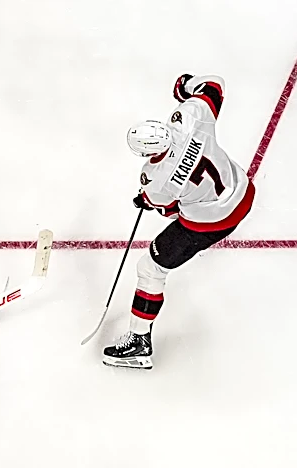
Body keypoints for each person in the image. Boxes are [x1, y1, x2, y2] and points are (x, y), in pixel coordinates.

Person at [103, 74, 255, 369]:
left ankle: (139, 345)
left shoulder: (155, 181)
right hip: (242, 190)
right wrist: (186, 87)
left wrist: (146, 200)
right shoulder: (190, 117)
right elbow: (215, 86)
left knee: (150, 268)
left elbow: (171, 211)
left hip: (213, 221)